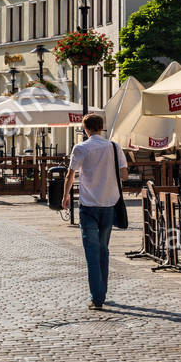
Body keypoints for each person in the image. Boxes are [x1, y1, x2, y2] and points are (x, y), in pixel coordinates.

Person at [62, 113, 127, 311]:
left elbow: (70, 174)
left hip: (89, 206)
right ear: (101, 127)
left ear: (85, 129)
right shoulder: (114, 147)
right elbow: (124, 173)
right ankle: (102, 292)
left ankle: (97, 297)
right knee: (103, 250)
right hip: (109, 204)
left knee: (92, 252)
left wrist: (65, 196)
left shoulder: (81, 148)